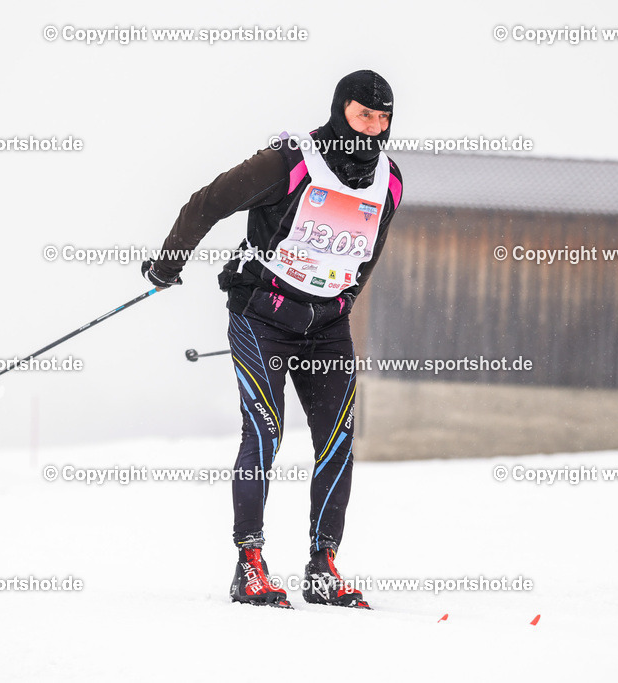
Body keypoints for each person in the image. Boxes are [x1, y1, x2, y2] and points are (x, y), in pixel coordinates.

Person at [143, 70, 403, 609]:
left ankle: (322, 566)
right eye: (362, 116)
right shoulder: (289, 162)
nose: (372, 130)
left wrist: (342, 301)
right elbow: (207, 201)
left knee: (337, 440)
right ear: (340, 110)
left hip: (326, 327)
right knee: (264, 431)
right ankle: (250, 565)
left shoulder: (390, 182)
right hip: (261, 314)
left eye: (382, 121)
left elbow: (368, 250)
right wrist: (169, 264)